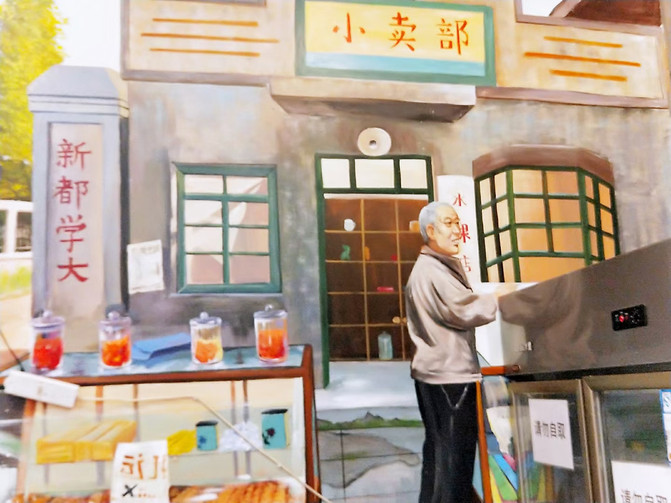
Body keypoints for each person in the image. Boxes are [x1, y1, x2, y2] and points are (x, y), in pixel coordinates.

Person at [405, 201, 499, 503]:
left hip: (436, 376)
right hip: (450, 377)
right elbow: (462, 309)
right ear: (431, 231)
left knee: (441, 459)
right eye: (449, 223)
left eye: (458, 223)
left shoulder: (431, 267)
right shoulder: (432, 271)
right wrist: (502, 297)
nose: (457, 230)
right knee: (454, 463)